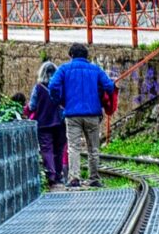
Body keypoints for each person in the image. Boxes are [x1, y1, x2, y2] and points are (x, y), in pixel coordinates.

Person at [50, 43, 118, 186]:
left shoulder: (64, 69)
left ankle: (74, 178)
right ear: (86, 56)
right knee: (93, 148)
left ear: (71, 55)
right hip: (93, 114)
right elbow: (110, 86)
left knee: (73, 147)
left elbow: (53, 85)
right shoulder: (95, 69)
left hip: (72, 114)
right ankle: (94, 178)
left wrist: (59, 100)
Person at [22, 59, 67, 188]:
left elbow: (32, 105)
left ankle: (51, 175)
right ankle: (58, 175)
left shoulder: (38, 88)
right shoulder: (60, 88)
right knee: (59, 149)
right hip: (60, 122)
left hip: (43, 122)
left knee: (47, 149)